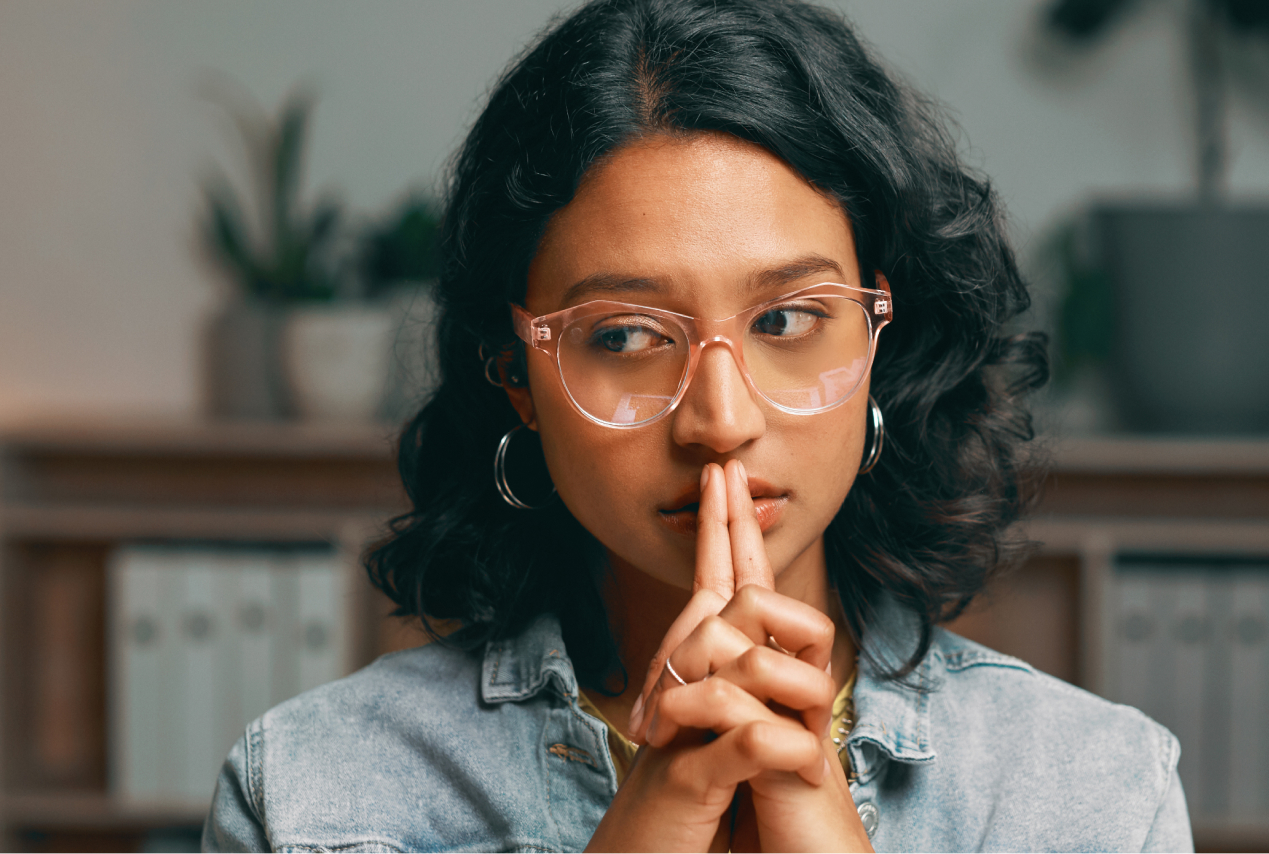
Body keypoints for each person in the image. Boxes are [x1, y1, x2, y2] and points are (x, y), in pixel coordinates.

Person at [204, 0, 1192, 850]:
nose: (719, 419)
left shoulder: (1091, 788)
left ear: (875, 336)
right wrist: (655, 814)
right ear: (516, 375)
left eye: (785, 321)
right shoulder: (310, 791)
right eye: (627, 334)